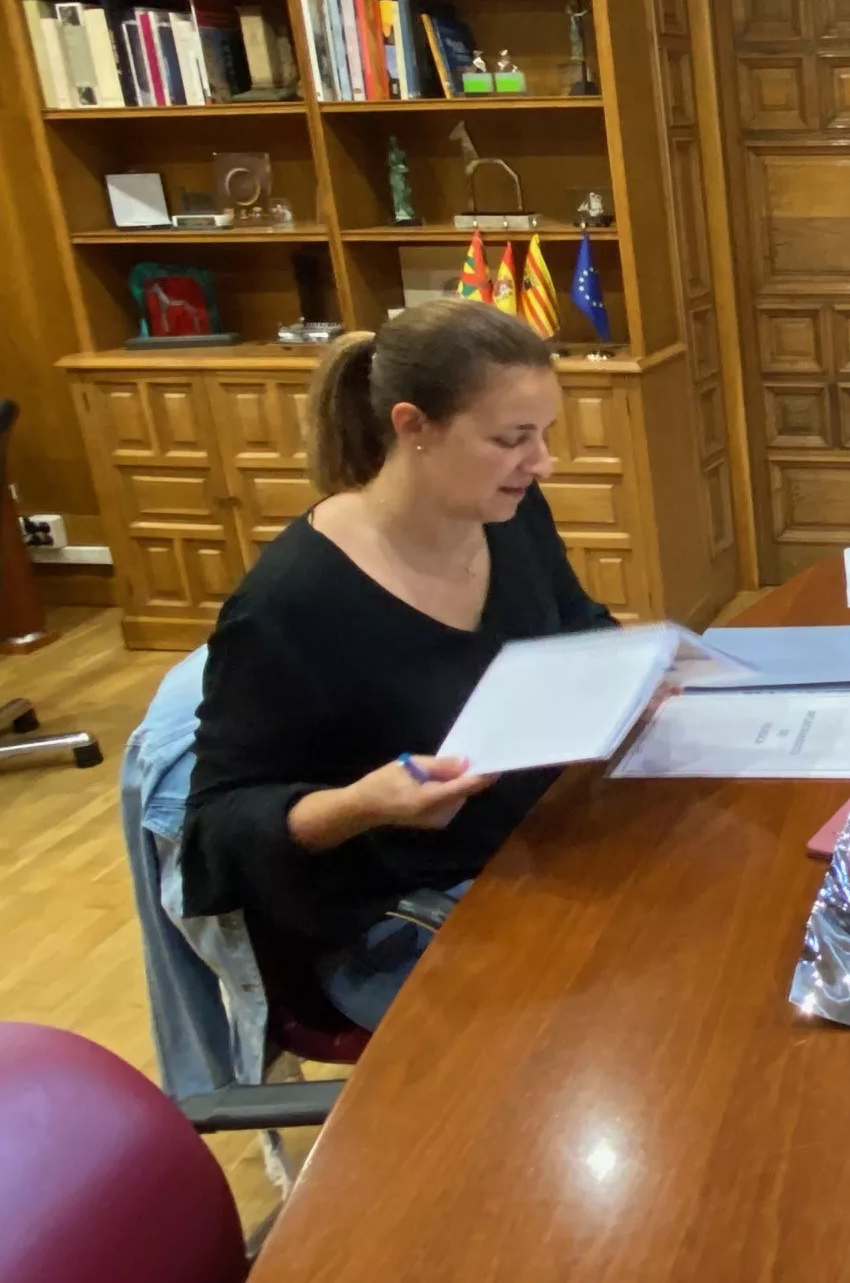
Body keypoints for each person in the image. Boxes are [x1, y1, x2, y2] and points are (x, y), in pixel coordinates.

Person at [180, 301, 614, 1029]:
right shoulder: (293, 602)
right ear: (413, 426)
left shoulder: (508, 513)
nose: (543, 463)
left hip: (541, 850)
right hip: (405, 920)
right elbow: (215, 830)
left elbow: (574, 625)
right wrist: (367, 803)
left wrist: (637, 664)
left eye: (545, 435)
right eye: (513, 439)